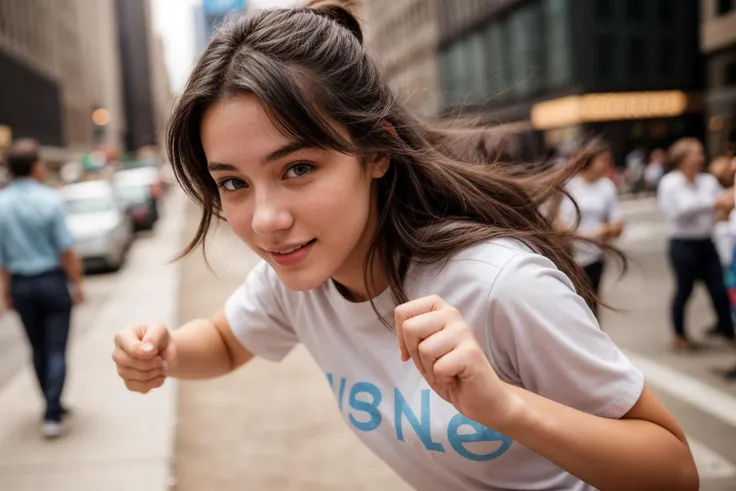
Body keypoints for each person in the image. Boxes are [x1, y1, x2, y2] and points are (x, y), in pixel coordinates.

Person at [112, 3, 698, 490]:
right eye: (233, 183)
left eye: (298, 168)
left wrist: (505, 408)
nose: (266, 221)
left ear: (377, 152)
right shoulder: (298, 277)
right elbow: (224, 340)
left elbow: (673, 469)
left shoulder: (498, 286)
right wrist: (163, 355)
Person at [0, 139, 85, 438]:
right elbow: (66, 250)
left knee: (36, 348)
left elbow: (2, 260)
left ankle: (52, 404)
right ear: (36, 165)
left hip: (22, 286)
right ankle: (52, 411)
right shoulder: (49, 200)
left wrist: (6, 293)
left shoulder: (2, 204)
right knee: (56, 348)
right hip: (51, 282)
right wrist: (76, 284)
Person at [658, 138, 736, 353]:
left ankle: (728, 329)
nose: (701, 157)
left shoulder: (707, 181)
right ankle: (679, 334)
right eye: (697, 153)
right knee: (684, 290)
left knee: (719, 289)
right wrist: (715, 203)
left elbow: (725, 200)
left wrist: (723, 202)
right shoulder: (670, 182)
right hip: (683, 244)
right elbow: (681, 209)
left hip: (706, 241)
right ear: (683, 157)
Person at [557, 141, 624, 318]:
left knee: (592, 305)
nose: (607, 165)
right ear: (588, 161)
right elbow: (561, 227)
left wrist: (610, 230)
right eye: (602, 160)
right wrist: (596, 232)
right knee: (573, 306)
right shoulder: (568, 185)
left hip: (595, 255)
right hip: (571, 256)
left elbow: (617, 223)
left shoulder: (607, 186)